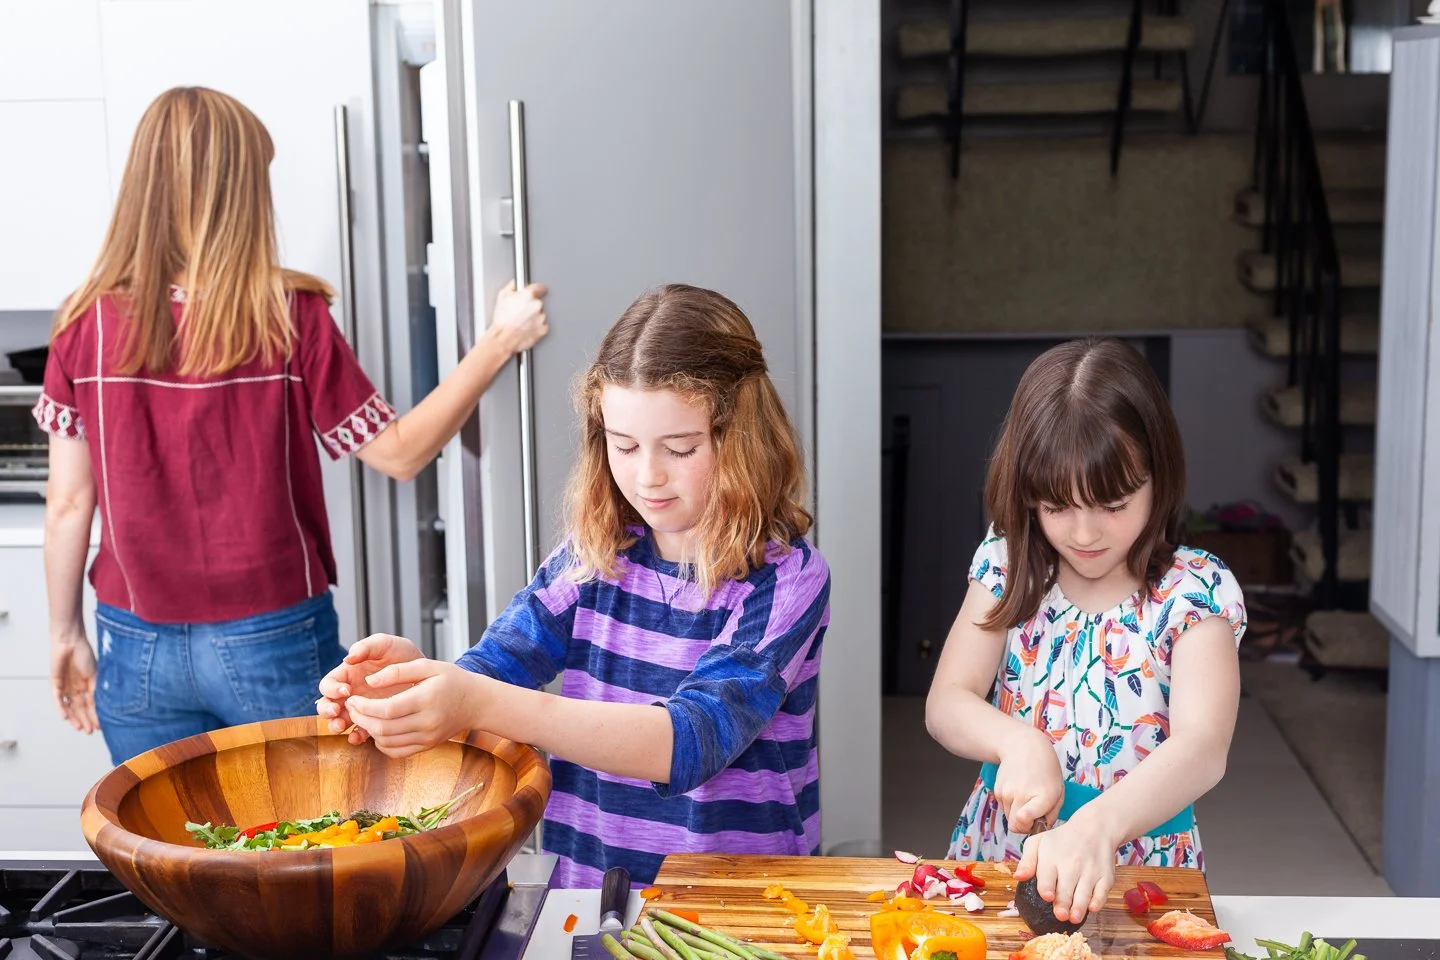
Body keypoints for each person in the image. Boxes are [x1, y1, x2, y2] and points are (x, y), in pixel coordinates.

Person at [34, 86, 548, 766]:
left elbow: (68, 504)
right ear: (240, 192)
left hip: (133, 641)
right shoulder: (286, 314)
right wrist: (498, 343)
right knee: (303, 849)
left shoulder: (84, 322)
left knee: (176, 856)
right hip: (270, 634)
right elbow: (399, 453)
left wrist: (64, 632)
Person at [317, 284, 830, 887]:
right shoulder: (592, 556)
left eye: (681, 448)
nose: (648, 475)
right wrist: (416, 683)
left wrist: (472, 699)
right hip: (590, 886)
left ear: (741, 437)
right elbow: (494, 672)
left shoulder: (785, 578)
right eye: (625, 445)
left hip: (737, 901)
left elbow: (691, 741)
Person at [925, 338, 1246, 925]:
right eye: (1056, 506)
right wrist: (1020, 743)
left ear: (1159, 477)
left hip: (1138, 864)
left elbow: (1203, 748)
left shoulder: (1194, 592)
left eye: (1115, 504)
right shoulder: (1008, 563)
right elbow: (947, 702)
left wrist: (1097, 827)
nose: (1084, 533)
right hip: (1005, 855)